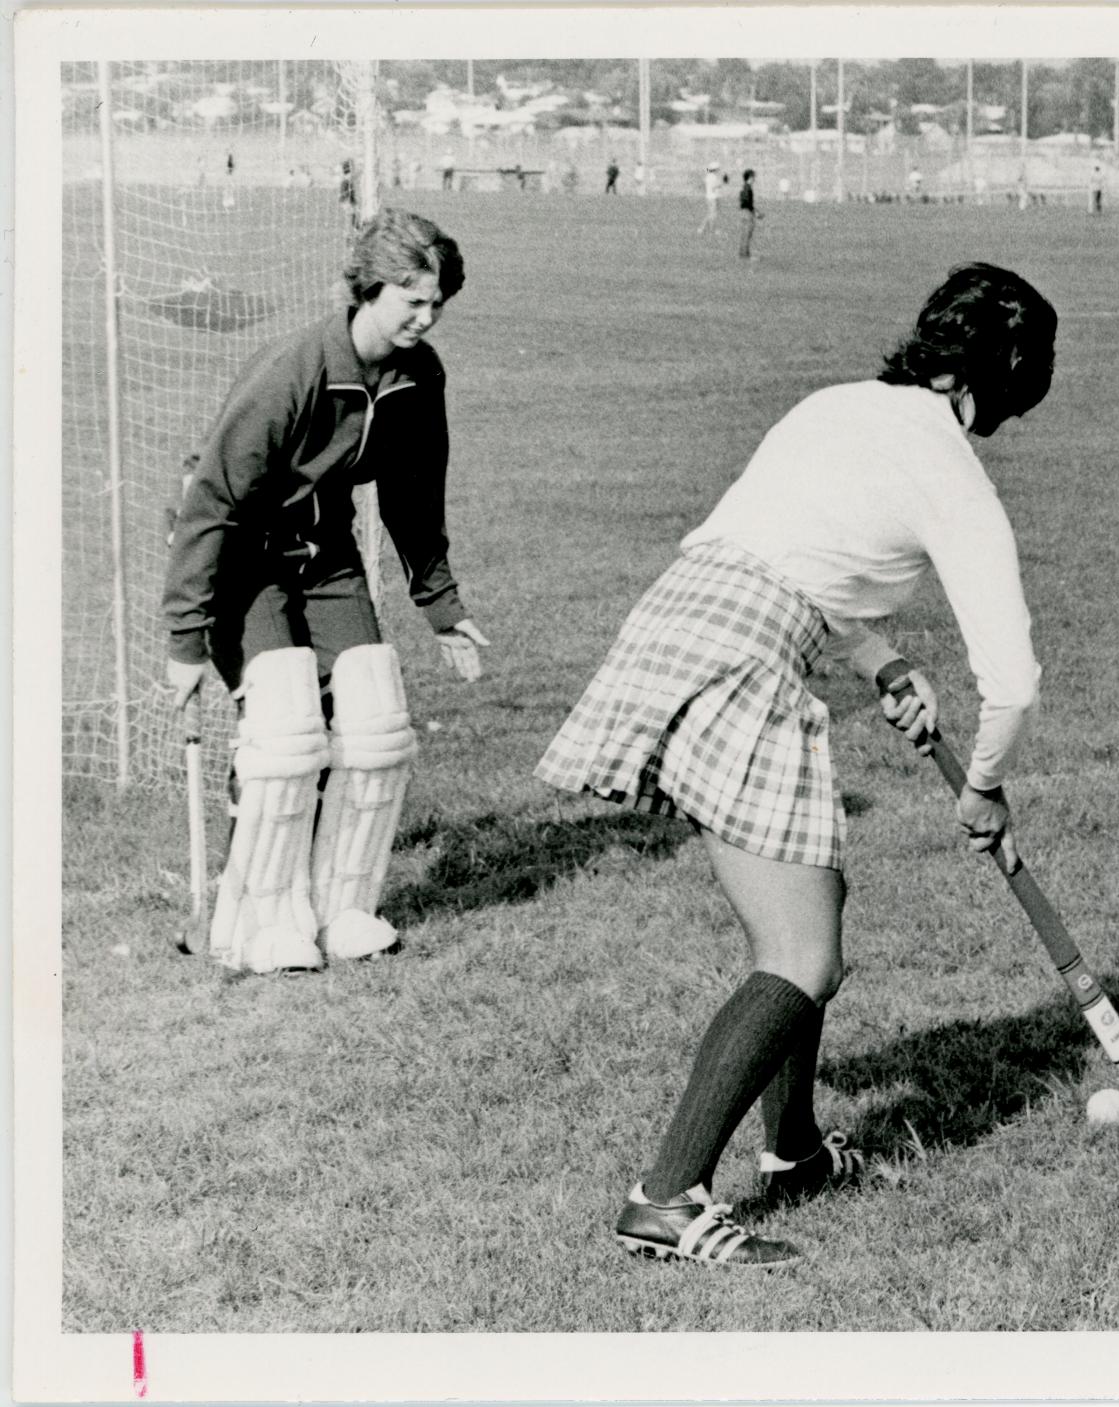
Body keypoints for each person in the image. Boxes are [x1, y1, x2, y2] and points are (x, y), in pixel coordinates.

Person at [536, 263, 1059, 1268]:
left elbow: (799, 554)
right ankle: (665, 1197)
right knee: (802, 955)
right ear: (1004, 372)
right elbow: (1013, 681)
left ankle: (794, 1153)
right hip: (742, 655)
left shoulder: (840, 406)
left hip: (688, 614)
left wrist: (885, 659)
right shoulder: (947, 468)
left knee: (814, 904)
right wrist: (985, 785)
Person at [162, 209, 490, 973]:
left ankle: (344, 908)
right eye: (411, 298)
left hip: (325, 555)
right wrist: (185, 638)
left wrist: (441, 606)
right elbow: (210, 502)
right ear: (370, 287)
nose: (426, 315)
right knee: (283, 726)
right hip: (243, 555)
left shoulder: (418, 376)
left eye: (437, 301)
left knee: (375, 714)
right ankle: (258, 920)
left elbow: (415, 497)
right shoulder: (297, 368)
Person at [737, 167, 759, 260]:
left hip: (744, 212)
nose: (755, 178)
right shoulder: (747, 188)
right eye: (753, 176)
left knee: (745, 233)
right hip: (747, 212)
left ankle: (742, 253)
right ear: (750, 177)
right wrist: (755, 212)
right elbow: (747, 202)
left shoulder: (745, 187)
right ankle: (746, 255)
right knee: (747, 233)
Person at [699, 160, 724, 234]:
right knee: (713, 214)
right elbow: (714, 187)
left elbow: (706, 171)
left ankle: (702, 228)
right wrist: (720, 184)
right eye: (718, 169)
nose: (719, 170)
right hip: (713, 197)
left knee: (710, 213)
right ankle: (712, 229)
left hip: (710, 197)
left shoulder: (709, 175)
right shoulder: (713, 177)